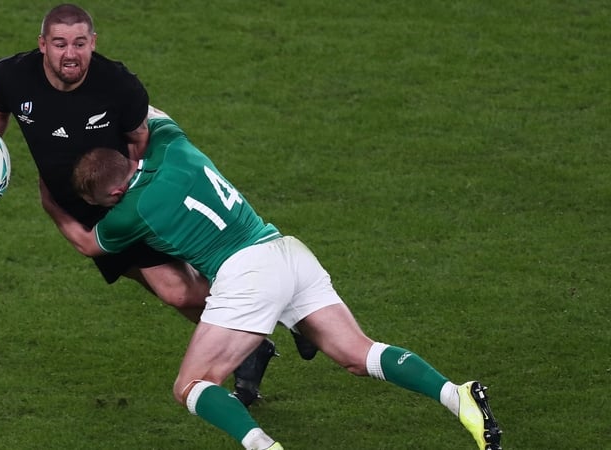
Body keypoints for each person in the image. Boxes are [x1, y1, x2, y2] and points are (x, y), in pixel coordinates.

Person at [66, 112, 504, 450]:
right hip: (287, 252)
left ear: (115, 194)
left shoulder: (130, 211)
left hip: (246, 275)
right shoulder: (172, 145)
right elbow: (150, 111)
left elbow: (88, 244)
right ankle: (456, 395)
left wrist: (51, 201)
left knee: (192, 384)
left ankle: (261, 444)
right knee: (358, 354)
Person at [0, 3, 286, 405]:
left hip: (123, 197)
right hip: (81, 203)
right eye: (59, 44)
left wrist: (129, 200)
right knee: (156, 282)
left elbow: (139, 143)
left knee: (177, 291)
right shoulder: (11, 76)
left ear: (93, 43)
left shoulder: (117, 84)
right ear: (42, 46)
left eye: (79, 43)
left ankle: (258, 322)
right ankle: (255, 332)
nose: (70, 54)